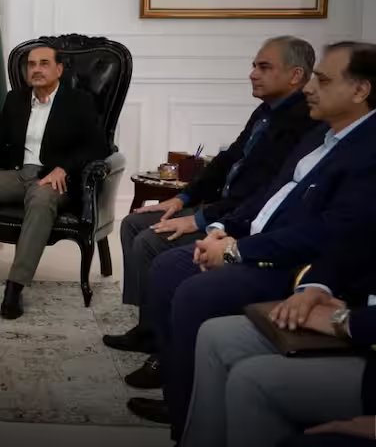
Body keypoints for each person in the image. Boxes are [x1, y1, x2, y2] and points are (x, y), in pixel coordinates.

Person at [126, 42, 376, 438]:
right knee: (162, 254)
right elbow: (266, 193)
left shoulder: (364, 150)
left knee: (189, 286)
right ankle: (174, 383)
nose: (311, 88)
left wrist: (235, 248)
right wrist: (223, 228)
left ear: (360, 90)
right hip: (255, 237)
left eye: (323, 80)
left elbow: (333, 232)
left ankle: (180, 408)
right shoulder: (319, 134)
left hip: (290, 262)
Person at [105, 36, 318, 388]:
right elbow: (226, 161)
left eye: (264, 67)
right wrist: (183, 198)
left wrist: (200, 219)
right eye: (254, 65)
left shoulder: (302, 122)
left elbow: (261, 193)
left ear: (295, 75)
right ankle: (150, 327)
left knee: (150, 241)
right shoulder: (265, 110)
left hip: (237, 216)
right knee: (132, 224)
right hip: (219, 203)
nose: (252, 74)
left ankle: (164, 349)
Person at [0, 43, 108, 319]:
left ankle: (15, 286)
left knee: (41, 198)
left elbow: (98, 146)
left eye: (44, 63)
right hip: (18, 173)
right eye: (31, 64)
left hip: (53, 180)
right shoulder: (16, 99)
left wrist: (64, 168)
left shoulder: (77, 101)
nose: (36, 69)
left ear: (59, 69)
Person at [182, 240, 376, 447]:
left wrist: (347, 322)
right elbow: (354, 240)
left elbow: (320, 230)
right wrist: (315, 288)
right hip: (350, 308)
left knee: (251, 379)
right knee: (217, 333)